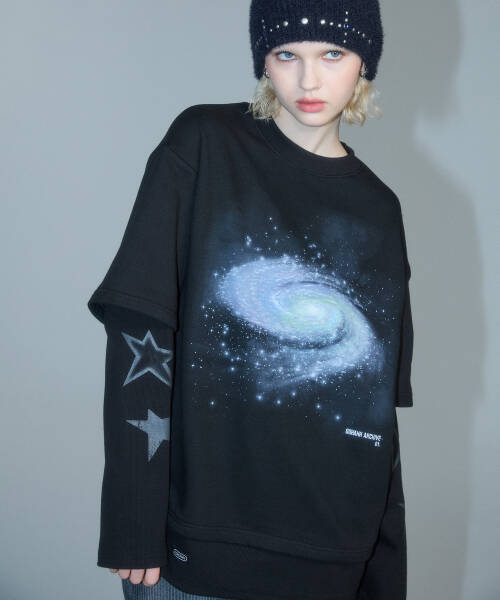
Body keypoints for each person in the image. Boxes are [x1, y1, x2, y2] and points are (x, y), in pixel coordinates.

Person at [87, 1, 414, 599]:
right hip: (200, 554)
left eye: (332, 54)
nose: (309, 80)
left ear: (364, 60)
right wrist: (132, 517)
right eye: (287, 54)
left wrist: (383, 573)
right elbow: (140, 327)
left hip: (334, 557)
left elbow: (373, 412)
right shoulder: (204, 143)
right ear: (263, 59)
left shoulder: (379, 209)